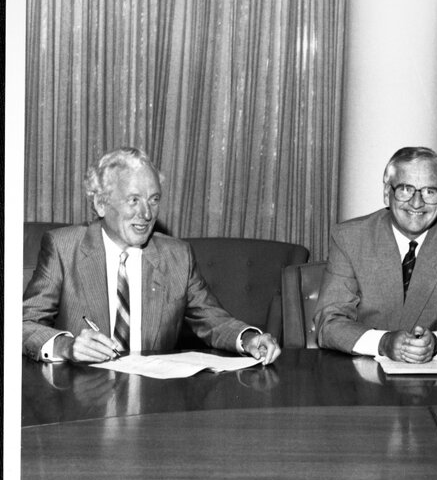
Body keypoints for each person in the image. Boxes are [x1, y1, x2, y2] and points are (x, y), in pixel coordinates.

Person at [22, 146, 281, 365]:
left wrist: (248, 339)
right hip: (80, 397)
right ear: (101, 204)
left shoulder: (177, 256)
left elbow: (213, 320)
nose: (146, 214)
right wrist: (65, 346)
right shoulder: (64, 247)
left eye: (153, 199)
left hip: (153, 396)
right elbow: (24, 324)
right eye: (134, 200)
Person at [313, 146, 437, 362]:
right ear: (387, 194)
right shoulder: (349, 238)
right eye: (406, 189)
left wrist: (434, 344)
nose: (417, 203)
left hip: (433, 383)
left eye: (429, 191)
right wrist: (383, 342)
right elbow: (329, 323)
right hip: (360, 378)